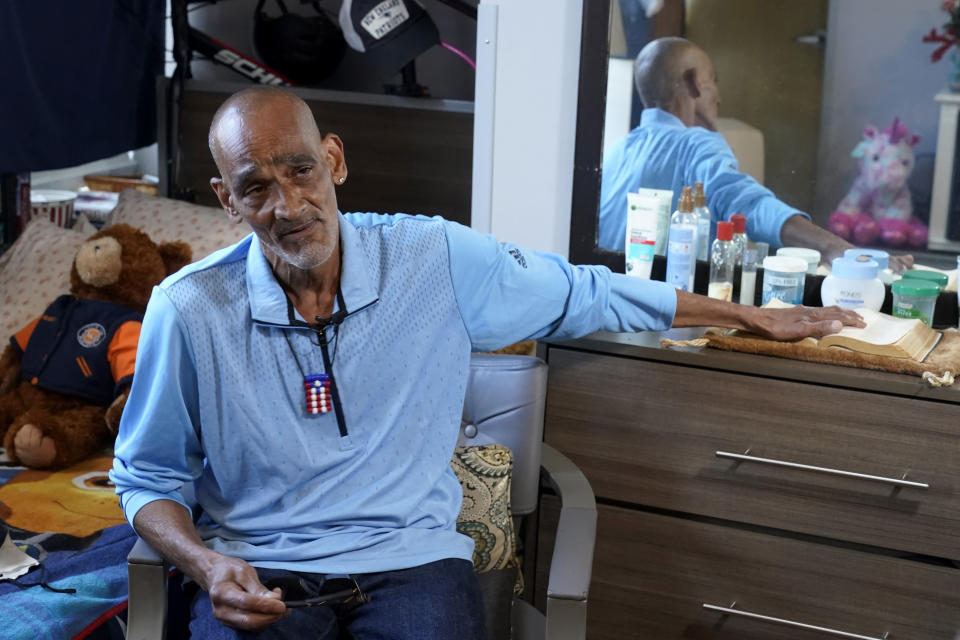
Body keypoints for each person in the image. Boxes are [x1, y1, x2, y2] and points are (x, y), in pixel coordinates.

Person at [110, 86, 862, 639]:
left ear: (334, 161)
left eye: (300, 171)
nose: (286, 204)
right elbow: (146, 477)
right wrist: (207, 567)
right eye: (255, 188)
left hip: (412, 565)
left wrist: (747, 314)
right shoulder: (187, 309)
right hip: (260, 569)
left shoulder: (432, 256)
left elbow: (586, 291)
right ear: (225, 200)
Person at [598, 37, 913, 271]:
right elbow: (746, 205)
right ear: (694, 83)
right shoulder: (698, 144)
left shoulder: (616, 151)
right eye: (713, 81)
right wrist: (838, 250)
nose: (718, 96)